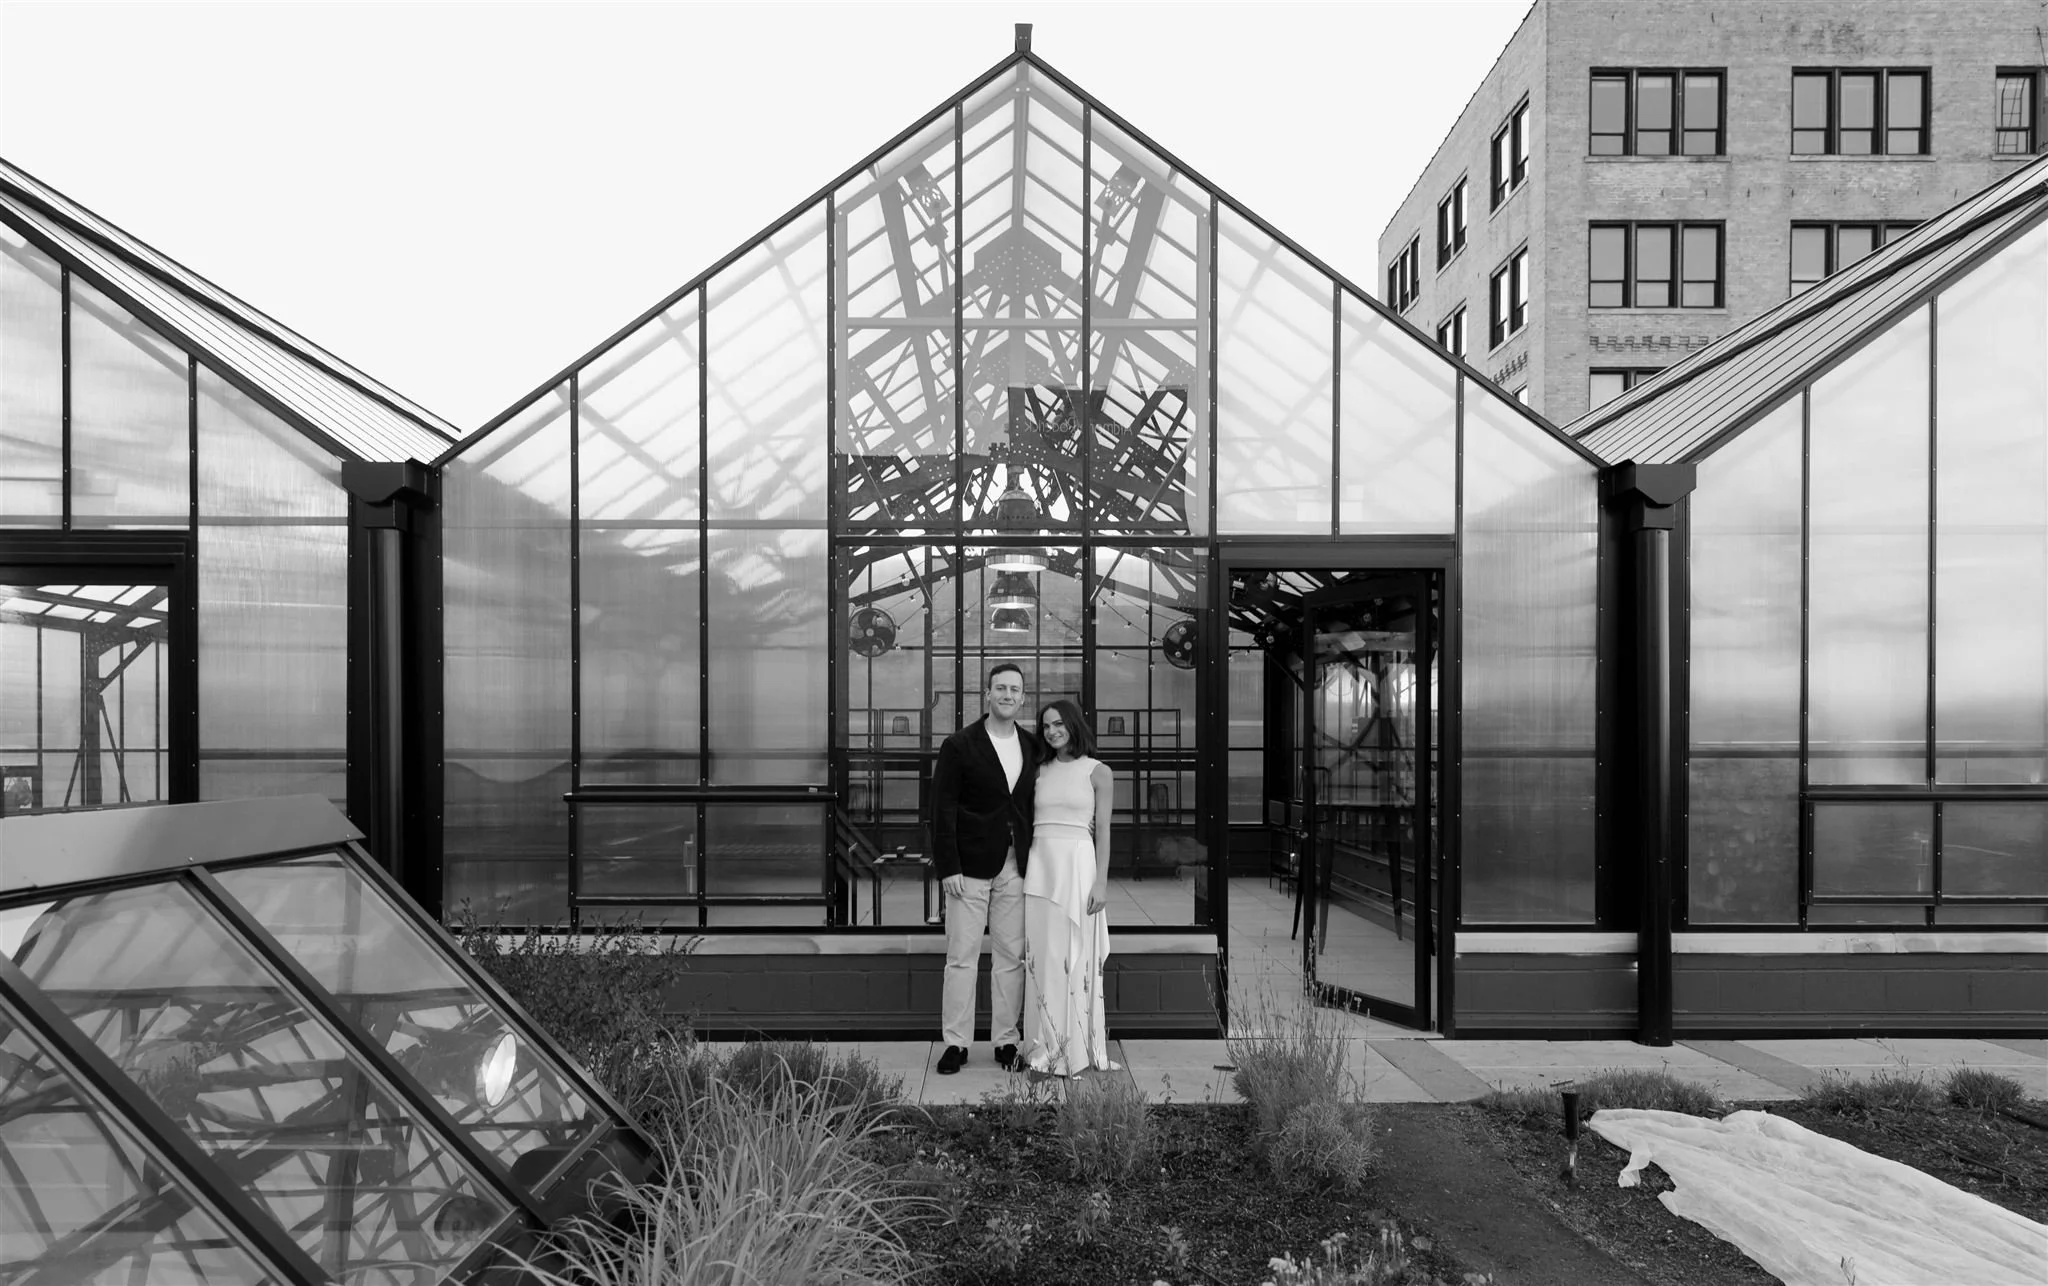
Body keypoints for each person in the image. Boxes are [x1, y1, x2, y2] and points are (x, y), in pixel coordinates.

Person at [930, 662, 1038, 1075]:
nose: (1008, 695)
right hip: (968, 867)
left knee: (1011, 957)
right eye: (1001, 688)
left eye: (1015, 689)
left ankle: (1006, 1042)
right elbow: (941, 808)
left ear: (1023, 698)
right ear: (987, 694)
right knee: (961, 958)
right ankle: (956, 1044)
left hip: (1015, 865)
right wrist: (948, 866)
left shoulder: (1032, 745)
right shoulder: (959, 745)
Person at [1021, 698, 1118, 1076]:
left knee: (1076, 962)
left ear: (1074, 724)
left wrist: (1101, 883)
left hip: (1078, 869)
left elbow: (1104, 831)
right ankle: (1044, 1045)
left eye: (1059, 723)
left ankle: (1076, 1049)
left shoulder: (1099, 772)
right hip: (1040, 870)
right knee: (1044, 960)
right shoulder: (1038, 769)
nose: (1052, 731)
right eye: (1046, 726)